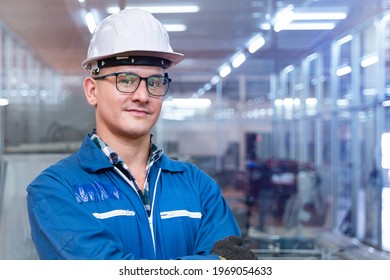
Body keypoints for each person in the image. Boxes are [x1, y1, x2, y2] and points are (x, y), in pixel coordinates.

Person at [26, 8, 257, 260]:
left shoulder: (199, 187)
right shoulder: (54, 190)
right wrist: (210, 265)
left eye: (154, 82)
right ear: (92, 91)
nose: (142, 95)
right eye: (125, 80)